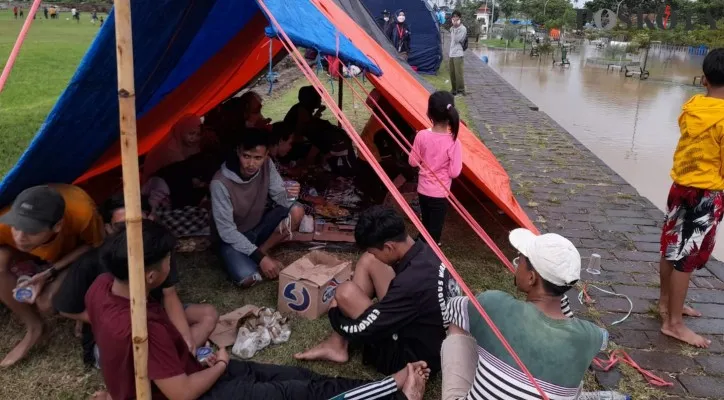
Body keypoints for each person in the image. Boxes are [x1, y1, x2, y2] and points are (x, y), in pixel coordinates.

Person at [88, 219, 429, 400]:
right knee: (298, 393)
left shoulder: (101, 288)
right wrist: (220, 364)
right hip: (199, 391)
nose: (170, 266)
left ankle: (390, 382)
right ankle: (395, 394)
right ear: (149, 274)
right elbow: (183, 394)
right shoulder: (143, 331)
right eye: (167, 261)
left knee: (298, 377)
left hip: (192, 372)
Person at [54, 193, 218, 366]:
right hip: (118, 333)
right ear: (109, 228)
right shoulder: (91, 262)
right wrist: (103, 320)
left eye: (139, 222)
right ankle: (173, 362)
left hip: (155, 316)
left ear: (150, 218)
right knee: (135, 352)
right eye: (122, 225)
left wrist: (186, 337)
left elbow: (170, 295)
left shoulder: (158, 251)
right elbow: (65, 308)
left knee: (208, 315)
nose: (132, 231)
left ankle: (176, 356)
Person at [441, 229, 608, 400]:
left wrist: (474, 308)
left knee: (458, 325)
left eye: (519, 258)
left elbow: (451, 309)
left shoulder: (493, 305)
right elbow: (598, 336)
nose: (516, 263)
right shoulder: (591, 336)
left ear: (531, 278)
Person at [295, 206, 460, 375]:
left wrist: (335, 314)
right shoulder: (427, 252)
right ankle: (336, 345)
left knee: (344, 292)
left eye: (375, 251)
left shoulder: (410, 284)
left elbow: (367, 330)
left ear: (389, 247)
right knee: (368, 261)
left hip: (414, 362)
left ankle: (338, 343)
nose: (374, 255)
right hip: (436, 340)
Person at [659, 49, 724, 348]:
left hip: (680, 186)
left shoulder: (691, 107)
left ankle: (666, 304)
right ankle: (673, 323)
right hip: (705, 195)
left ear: (705, 79)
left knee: (671, 249)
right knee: (686, 259)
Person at [0, 184, 104, 367]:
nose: (19, 236)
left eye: (31, 230)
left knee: (46, 303)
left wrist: (50, 272)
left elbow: (94, 246)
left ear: (58, 226)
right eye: (16, 226)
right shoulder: (3, 222)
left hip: (69, 252)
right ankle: (34, 327)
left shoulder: (83, 213)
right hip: (34, 253)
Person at [210, 128, 305, 288]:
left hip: (257, 227)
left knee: (297, 210)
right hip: (231, 239)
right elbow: (227, 231)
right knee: (249, 279)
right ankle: (256, 256)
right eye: (246, 156)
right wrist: (262, 259)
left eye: (257, 158)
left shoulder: (267, 165)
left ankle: (263, 250)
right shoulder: (220, 183)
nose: (251, 164)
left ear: (267, 154)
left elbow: (280, 198)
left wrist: (291, 193)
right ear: (238, 151)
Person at [408, 91, 463, 245]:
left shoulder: (421, 136)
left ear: (429, 112)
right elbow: (454, 172)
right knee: (435, 226)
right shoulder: (454, 142)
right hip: (440, 193)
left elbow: (413, 162)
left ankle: (423, 242)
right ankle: (430, 248)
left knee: (426, 218)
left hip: (423, 189)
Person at [143, 114, 202, 182]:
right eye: (191, 133)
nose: (194, 138)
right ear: (182, 131)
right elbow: (183, 172)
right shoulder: (170, 149)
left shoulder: (185, 144)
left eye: (198, 134)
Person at [449, 11, 467, 96]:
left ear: (459, 18)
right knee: (452, 73)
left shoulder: (463, 29)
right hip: (451, 53)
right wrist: (454, 27)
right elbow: (452, 40)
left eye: (456, 17)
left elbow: (457, 39)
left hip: (458, 53)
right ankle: (454, 90)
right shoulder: (452, 28)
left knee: (458, 73)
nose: (454, 18)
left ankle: (461, 90)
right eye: (453, 17)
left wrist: (456, 27)